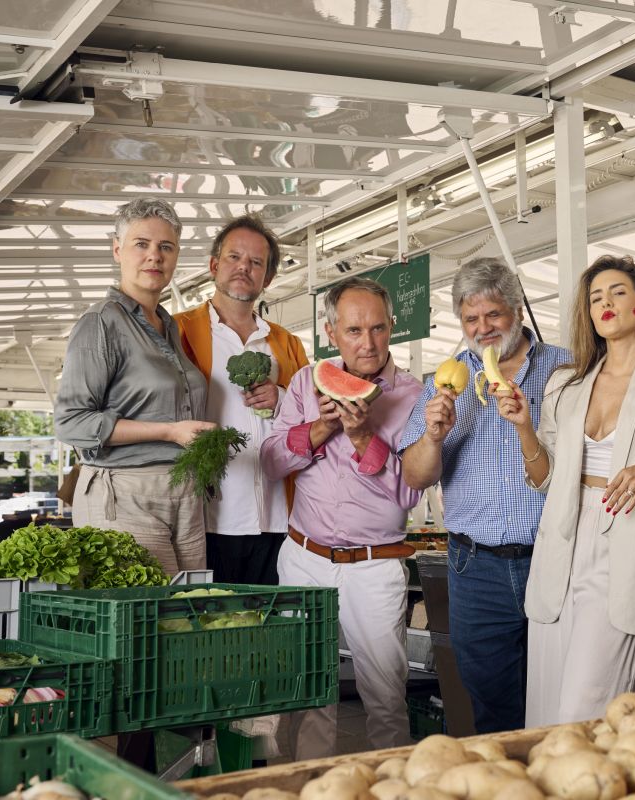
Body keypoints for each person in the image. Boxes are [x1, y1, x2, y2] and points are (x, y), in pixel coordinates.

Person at [498, 255, 635, 726]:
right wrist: (524, 427)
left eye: (618, 292)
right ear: (588, 315)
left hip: (624, 549)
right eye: (595, 298)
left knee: (585, 715)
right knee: (545, 717)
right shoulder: (564, 387)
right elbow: (544, 478)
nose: (605, 303)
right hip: (559, 549)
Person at [399, 257, 570, 733]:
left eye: (493, 315)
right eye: (471, 319)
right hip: (475, 567)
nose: (483, 328)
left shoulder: (564, 368)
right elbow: (414, 477)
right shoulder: (444, 382)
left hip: (554, 556)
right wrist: (433, 436)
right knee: (490, 701)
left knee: (561, 694)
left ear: (517, 310)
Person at [261, 276, 421, 755]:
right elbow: (270, 461)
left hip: (374, 564)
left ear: (393, 326)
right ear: (331, 333)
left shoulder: (413, 396)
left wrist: (361, 438)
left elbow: (410, 491)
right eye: (353, 331)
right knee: (309, 694)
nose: (367, 343)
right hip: (304, 557)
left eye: (377, 328)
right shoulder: (306, 383)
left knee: (386, 697)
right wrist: (323, 426)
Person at [55, 198, 214, 573]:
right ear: (117, 250)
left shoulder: (168, 325)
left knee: (186, 615)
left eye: (166, 247)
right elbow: (72, 423)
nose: (154, 256)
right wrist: (171, 431)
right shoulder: (100, 324)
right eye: (141, 244)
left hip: (182, 492)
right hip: (124, 494)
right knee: (143, 621)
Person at [175, 215, 308, 584]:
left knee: (269, 631)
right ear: (214, 265)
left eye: (256, 263)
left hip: (278, 518)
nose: (243, 268)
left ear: (268, 278)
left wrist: (282, 397)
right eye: (234, 257)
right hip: (208, 517)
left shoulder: (288, 343)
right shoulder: (178, 330)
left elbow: (315, 417)